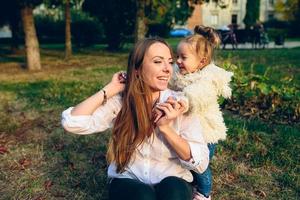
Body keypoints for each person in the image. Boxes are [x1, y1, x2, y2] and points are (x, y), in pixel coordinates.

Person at [61, 37, 209, 200]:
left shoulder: (179, 103)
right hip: (129, 180)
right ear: (137, 69)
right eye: (158, 62)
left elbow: (201, 163)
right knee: (142, 196)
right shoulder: (121, 102)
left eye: (169, 61)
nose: (168, 69)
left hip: (173, 180)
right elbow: (72, 122)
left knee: (172, 192)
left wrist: (166, 129)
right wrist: (109, 89)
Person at [169, 25, 233, 200]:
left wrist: (185, 100)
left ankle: (205, 192)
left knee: (199, 165)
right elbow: (166, 79)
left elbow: (198, 93)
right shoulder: (179, 71)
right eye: (177, 57)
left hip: (205, 133)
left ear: (202, 62)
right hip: (186, 130)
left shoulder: (208, 78)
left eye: (183, 57)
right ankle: (189, 182)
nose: (178, 61)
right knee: (184, 160)